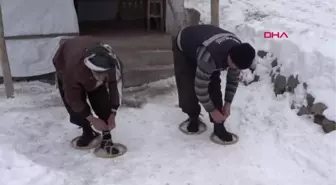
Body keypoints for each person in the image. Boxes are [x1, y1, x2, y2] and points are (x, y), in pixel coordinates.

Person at [172, 24, 256, 143]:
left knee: (214, 86)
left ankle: (219, 126)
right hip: (185, 45)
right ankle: (193, 117)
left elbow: (232, 81)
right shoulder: (209, 57)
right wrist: (212, 111)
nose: (233, 69)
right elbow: (200, 88)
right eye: (233, 66)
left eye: (237, 68)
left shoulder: (240, 52)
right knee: (187, 86)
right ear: (230, 57)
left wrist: (227, 103)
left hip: (206, 43)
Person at [52, 36, 124, 157]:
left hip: (88, 53)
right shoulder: (73, 70)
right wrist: (92, 119)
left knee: (102, 100)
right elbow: (73, 99)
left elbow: (116, 86)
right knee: (75, 107)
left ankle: (107, 137)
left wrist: (113, 112)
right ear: (90, 68)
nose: (102, 77)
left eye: (105, 73)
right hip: (66, 62)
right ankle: (87, 131)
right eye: (99, 74)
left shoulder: (113, 64)